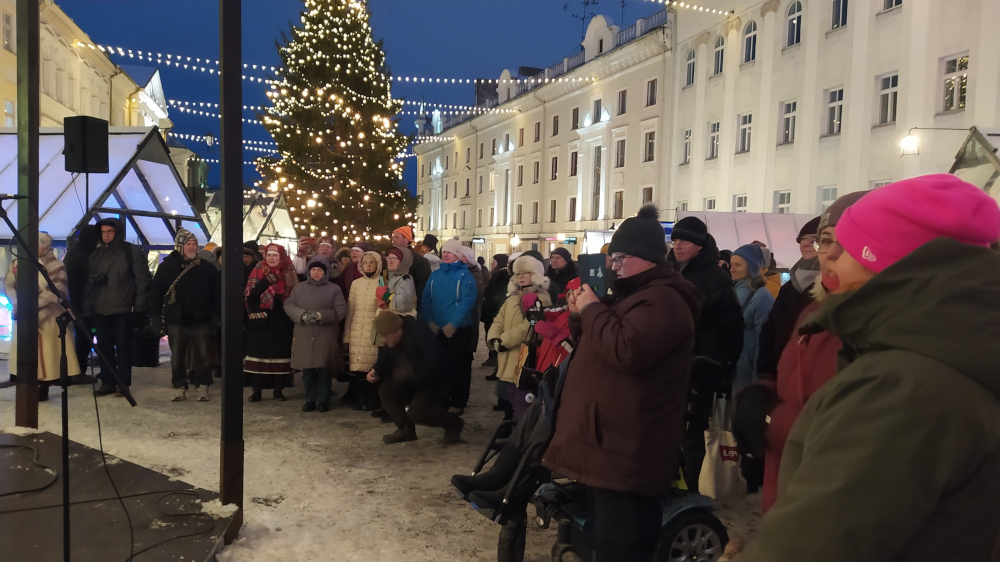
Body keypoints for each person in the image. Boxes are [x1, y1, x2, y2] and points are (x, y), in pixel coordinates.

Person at [733, 174, 1000, 561]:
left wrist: (772, 420)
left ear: (885, 260)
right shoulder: (935, 347)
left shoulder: (902, 384)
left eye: (848, 246)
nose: (830, 258)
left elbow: (816, 543)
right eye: (825, 243)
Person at [544, 205, 701, 562]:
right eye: (612, 259)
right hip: (610, 443)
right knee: (609, 540)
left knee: (624, 543)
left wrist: (593, 309)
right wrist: (580, 316)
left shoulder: (663, 299)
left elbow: (627, 350)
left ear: (647, 257)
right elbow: (599, 346)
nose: (613, 266)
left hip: (628, 446)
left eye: (620, 258)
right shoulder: (634, 294)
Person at [668, 216, 744, 490]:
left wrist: (722, 366)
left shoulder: (716, 278)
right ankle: (670, 483)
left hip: (700, 366)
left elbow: (733, 327)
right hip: (670, 365)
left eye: (685, 241)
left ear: (700, 245)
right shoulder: (669, 271)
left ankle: (692, 489)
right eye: (675, 240)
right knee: (668, 429)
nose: (678, 245)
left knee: (692, 433)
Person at [4, 232, 83, 400]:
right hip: (24, 314)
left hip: (50, 316)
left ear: (46, 247)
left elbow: (57, 290)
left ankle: (44, 386)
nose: (35, 247)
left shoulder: (56, 265)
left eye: (39, 244)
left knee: (48, 352)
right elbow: (10, 285)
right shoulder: (18, 263)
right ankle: (27, 384)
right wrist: (18, 303)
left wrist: (35, 306)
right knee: (25, 351)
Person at [368, 311, 464, 444]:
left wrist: (411, 379)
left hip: (434, 381)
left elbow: (436, 363)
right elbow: (387, 355)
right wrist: (376, 370)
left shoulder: (419, 334)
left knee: (417, 413)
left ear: (395, 331)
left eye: (385, 336)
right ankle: (405, 429)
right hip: (412, 379)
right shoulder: (394, 336)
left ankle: (453, 423)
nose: (383, 340)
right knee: (386, 391)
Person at [149, 229, 221, 402]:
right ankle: (179, 386)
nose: (192, 247)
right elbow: (155, 292)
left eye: (194, 244)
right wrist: (155, 316)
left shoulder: (206, 267)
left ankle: (203, 385)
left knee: (203, 356)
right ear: (180, 246)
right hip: (177, 318)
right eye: (188, 244)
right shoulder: (167, 267)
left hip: (200, 318)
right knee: (176, 357)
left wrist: (216, 317)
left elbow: (217, 294)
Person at [84, 218, 152, 397]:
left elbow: (143, 280)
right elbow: (89, 284)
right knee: (104, 347)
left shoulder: (131, 252)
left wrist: (139, 308)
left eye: (110, 231)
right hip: (100, 308)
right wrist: (88, 308)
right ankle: (108, 382)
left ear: (118, 232)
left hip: (123, 308)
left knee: (123, 346)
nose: (106, 235)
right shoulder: (96, 255)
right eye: (103, 232)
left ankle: (123, 383)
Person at [487, 254, 551, 421]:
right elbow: (498, 320)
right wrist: (494, 338)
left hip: (524, 358)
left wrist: (504, 341)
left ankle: (520, 432)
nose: (521, 276)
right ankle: (512, 428)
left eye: (525, 273)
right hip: (507, 357)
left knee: (522, 402)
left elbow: (529, 327)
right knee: (510, 399)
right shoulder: (511, 299)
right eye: (518, 273)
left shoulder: (541, 299)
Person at [756, 217, 821, 380]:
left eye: (814, 238)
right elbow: (770, 329)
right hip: (783, 371)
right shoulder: (790, 286)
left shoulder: (836, 284)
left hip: (815, 375)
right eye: (802, 238)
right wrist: (766, 372)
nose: (806, 243)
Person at [419, 237, 477, 414]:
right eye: (444, 251)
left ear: (458, 255)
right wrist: (429, 321)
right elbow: (426, 299)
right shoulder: (435, 274)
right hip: (437, 328)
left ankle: (458, 401)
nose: (446, 254)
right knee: (439, 365)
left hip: (458, 329)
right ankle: (441, 398)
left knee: (458, 365)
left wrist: (454, 324)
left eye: (450, 252)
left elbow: (467, 301)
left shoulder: (465, 276)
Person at [284, 257, 348, 412]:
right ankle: (310, 399)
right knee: (308, 370)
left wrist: (321, 316)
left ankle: (323, 399)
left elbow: (341, 310)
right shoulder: (299, 288)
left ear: (325, 272)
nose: (316, 273)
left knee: (324, 369)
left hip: (325, 334)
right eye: (313, 269)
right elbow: (289, 305)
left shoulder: (334, 289)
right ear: (309, 271)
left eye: (320, 270)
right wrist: (301, 315)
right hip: (304, 333)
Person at [245, 244, 298, 402]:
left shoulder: (289, 271)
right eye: (269, 255)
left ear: (281, 257)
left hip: (282, 320)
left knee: (279, 355)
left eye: (275, 255)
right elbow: (250, 295)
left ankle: (278, 390)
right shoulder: (257, 269)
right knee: (258, 355)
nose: (272, 258)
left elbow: (294, 294)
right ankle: (257, 390)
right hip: (260, 320)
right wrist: (268, 280)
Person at [730, 244, 775, 395]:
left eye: (738, 265)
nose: (732, 269)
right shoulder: (732, 292)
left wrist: (759, 379)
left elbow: (764, 341)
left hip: (747, 372)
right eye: (731, 264)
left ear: (751, 267)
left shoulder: (762, 296)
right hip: (732, 369)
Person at [343, 250, 384, 410]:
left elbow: (385, 307)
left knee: (372, 365)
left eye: (371, 262)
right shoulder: (356, 283)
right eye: (365, 263)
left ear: (378, 264)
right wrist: (347, 335)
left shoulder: (383, 282)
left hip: (373, 329)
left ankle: (373, 399)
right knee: (358, 366)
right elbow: (350, 309)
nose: (368, 265)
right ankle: (360, 397)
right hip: (356, 329)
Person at [64, 225, 100, 372]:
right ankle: (79, 370)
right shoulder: (83, 256)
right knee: (84, 338)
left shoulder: (73, 254)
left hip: (77, 303)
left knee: (82, 338)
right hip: (83, 305)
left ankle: (77, 370)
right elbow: (77, 285)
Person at [480, 254, 509, 375]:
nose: (492, 264)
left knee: (493, 337)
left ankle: (497, 367)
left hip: (494, 311)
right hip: (491, 310)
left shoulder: (501, 276)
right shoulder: (496, 274)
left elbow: (496, 294)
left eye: (494, 261)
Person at [393, 226, 430, 306]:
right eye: (393, 237)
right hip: (392, 304)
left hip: (410, 306)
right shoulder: (390, 259)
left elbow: (422, 288)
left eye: (396, 237)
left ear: (406, 240)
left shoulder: (420, 261)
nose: (393, 240)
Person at [459, 245, 485, 358]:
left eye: (462, 255)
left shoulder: (474, 273)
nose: (459, 257)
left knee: (465, 350)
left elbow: (476, 295)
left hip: (468, 315)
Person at [381, 247, 417, 317]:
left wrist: (385, 296)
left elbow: (403, 304)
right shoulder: (388, 277)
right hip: (390, 319)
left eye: (394, 258)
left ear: (403, 262)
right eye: (389, 258)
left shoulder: (406, 279)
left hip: (401, 320)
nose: (390, 261)